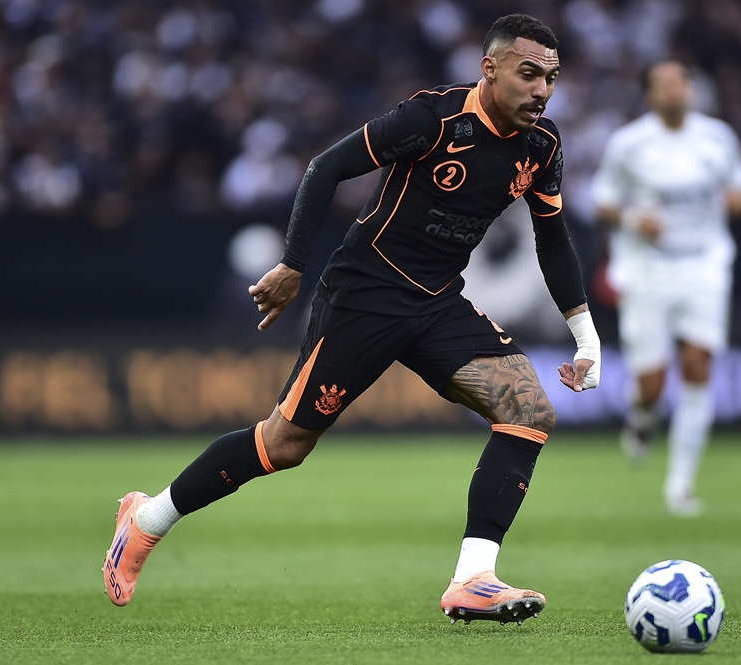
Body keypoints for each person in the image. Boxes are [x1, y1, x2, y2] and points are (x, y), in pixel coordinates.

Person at [102, 14, 601, 626]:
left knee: (528, 410)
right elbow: (325, 167)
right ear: (489, 68)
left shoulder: (541, 145)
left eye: (551, 78)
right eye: (529, 74)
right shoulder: (432, 118)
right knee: (282, 445)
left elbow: (553, 240)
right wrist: (292, 264)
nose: (542, 90)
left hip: (438, 301)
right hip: (366, 294)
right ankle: (146, 520)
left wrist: (586, 335)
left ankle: (473, 578)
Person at [591, 60, 741, 517]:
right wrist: (631, 218)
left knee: (698, 366)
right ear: (649, 95)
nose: (674, 91)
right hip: (647, 269)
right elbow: (601, 201)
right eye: (663, 85)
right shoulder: (628, 144)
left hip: (704, 264)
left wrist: (740, 201)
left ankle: (680, 484)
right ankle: (641, 417)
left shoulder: (718, 137)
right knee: (652, 384)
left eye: (680, 82)